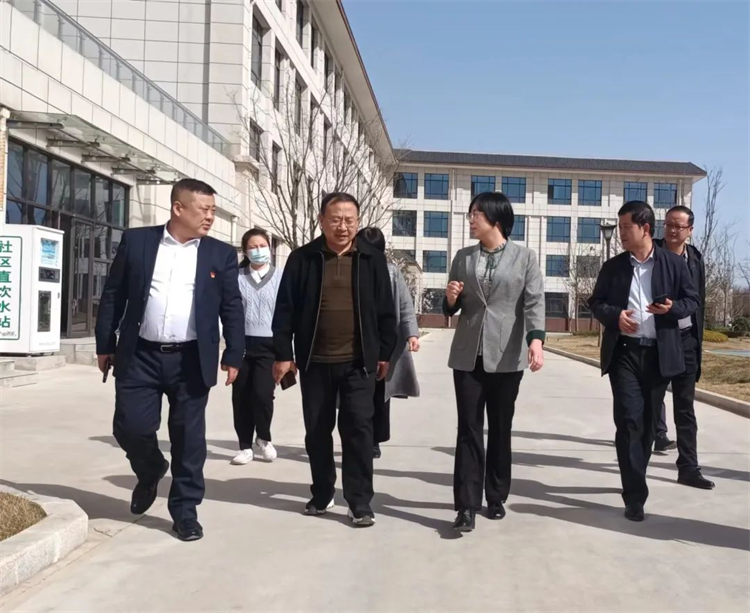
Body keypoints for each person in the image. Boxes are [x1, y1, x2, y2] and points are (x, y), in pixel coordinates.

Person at [95, 178, 245, 542]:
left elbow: (231, 306)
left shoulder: (220, 254)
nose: (210, 217)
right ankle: (150, 470)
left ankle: (185, 512)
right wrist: (105, 343)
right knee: (129, 427)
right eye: (204, 210)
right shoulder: (138, 241)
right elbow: (113, 294)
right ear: (178, 208)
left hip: (191, 358)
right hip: (140, 354)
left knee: (188, 439)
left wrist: (234, 353)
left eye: (213, 210)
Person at [272, 192, 397, 527]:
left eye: (349, 220)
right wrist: (283, 354)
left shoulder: (372, 259)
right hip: (315, 361)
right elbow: (284, 311)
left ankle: (359, 502)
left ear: (358, 222)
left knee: (358, 431)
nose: (343, 227)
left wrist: (384, 353)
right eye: (336, 219)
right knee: (317, 431)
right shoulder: (302, 259)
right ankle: (322, 492)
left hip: (359, 362)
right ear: (321, 220)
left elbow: (386, 311)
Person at [589, 200, 700, 522]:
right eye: (619, 228)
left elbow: (692, 300)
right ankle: (634, 496)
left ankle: (635, 478)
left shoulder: (673, 264)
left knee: (648, 426)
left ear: (645, 228)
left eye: (627, 227)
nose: (621, 233)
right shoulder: (613, 267)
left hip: (658, 354)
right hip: (624, 352)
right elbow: (596, 302)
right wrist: (615, 316)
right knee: (628, 420)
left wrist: (672, 309)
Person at [443, 192, 545, 533]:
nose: (471, 219)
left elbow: (533, 302)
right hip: (467, 355)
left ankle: (496, 495)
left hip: (506, 356)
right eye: (470, 214)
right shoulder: (463, 257)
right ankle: (466, 506)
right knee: (468, 429)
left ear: (496, 219)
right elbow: (452, 305)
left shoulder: (525, 258)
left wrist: (536, 341)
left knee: (500, 428)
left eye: (477, 214)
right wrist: (450, 299)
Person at [652, 206, 714, 489]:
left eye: (678, 226)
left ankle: (689, 467)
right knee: (648, 406)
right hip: (656, 340)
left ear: (690, 230)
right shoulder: (651, 254)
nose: (672, 230)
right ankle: (636, 470)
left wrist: (698, 342)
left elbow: (697, 302)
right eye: (668, 225)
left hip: (686, 340)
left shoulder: (695, 259)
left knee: (685, 409)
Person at [357, 226, 421, 459]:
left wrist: (411, 334)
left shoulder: (392, 272)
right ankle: (358, 439)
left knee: (379, 394)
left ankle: (374, 441)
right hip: (356, 342)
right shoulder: (351, 268)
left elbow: (405, 305)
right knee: (356, 396)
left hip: (383, 344)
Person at [230, 228, 282, 465]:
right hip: (242, 343)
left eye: (262, 246)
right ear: (245, 251)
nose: (258, 250)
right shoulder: (236, 277)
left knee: (263, 394)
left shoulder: (281, 277)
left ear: (269, 248)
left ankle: (263, 437)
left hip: (270, 345)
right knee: (241, 396)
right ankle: (244, 446)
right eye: (252, 247)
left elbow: (289, 313)